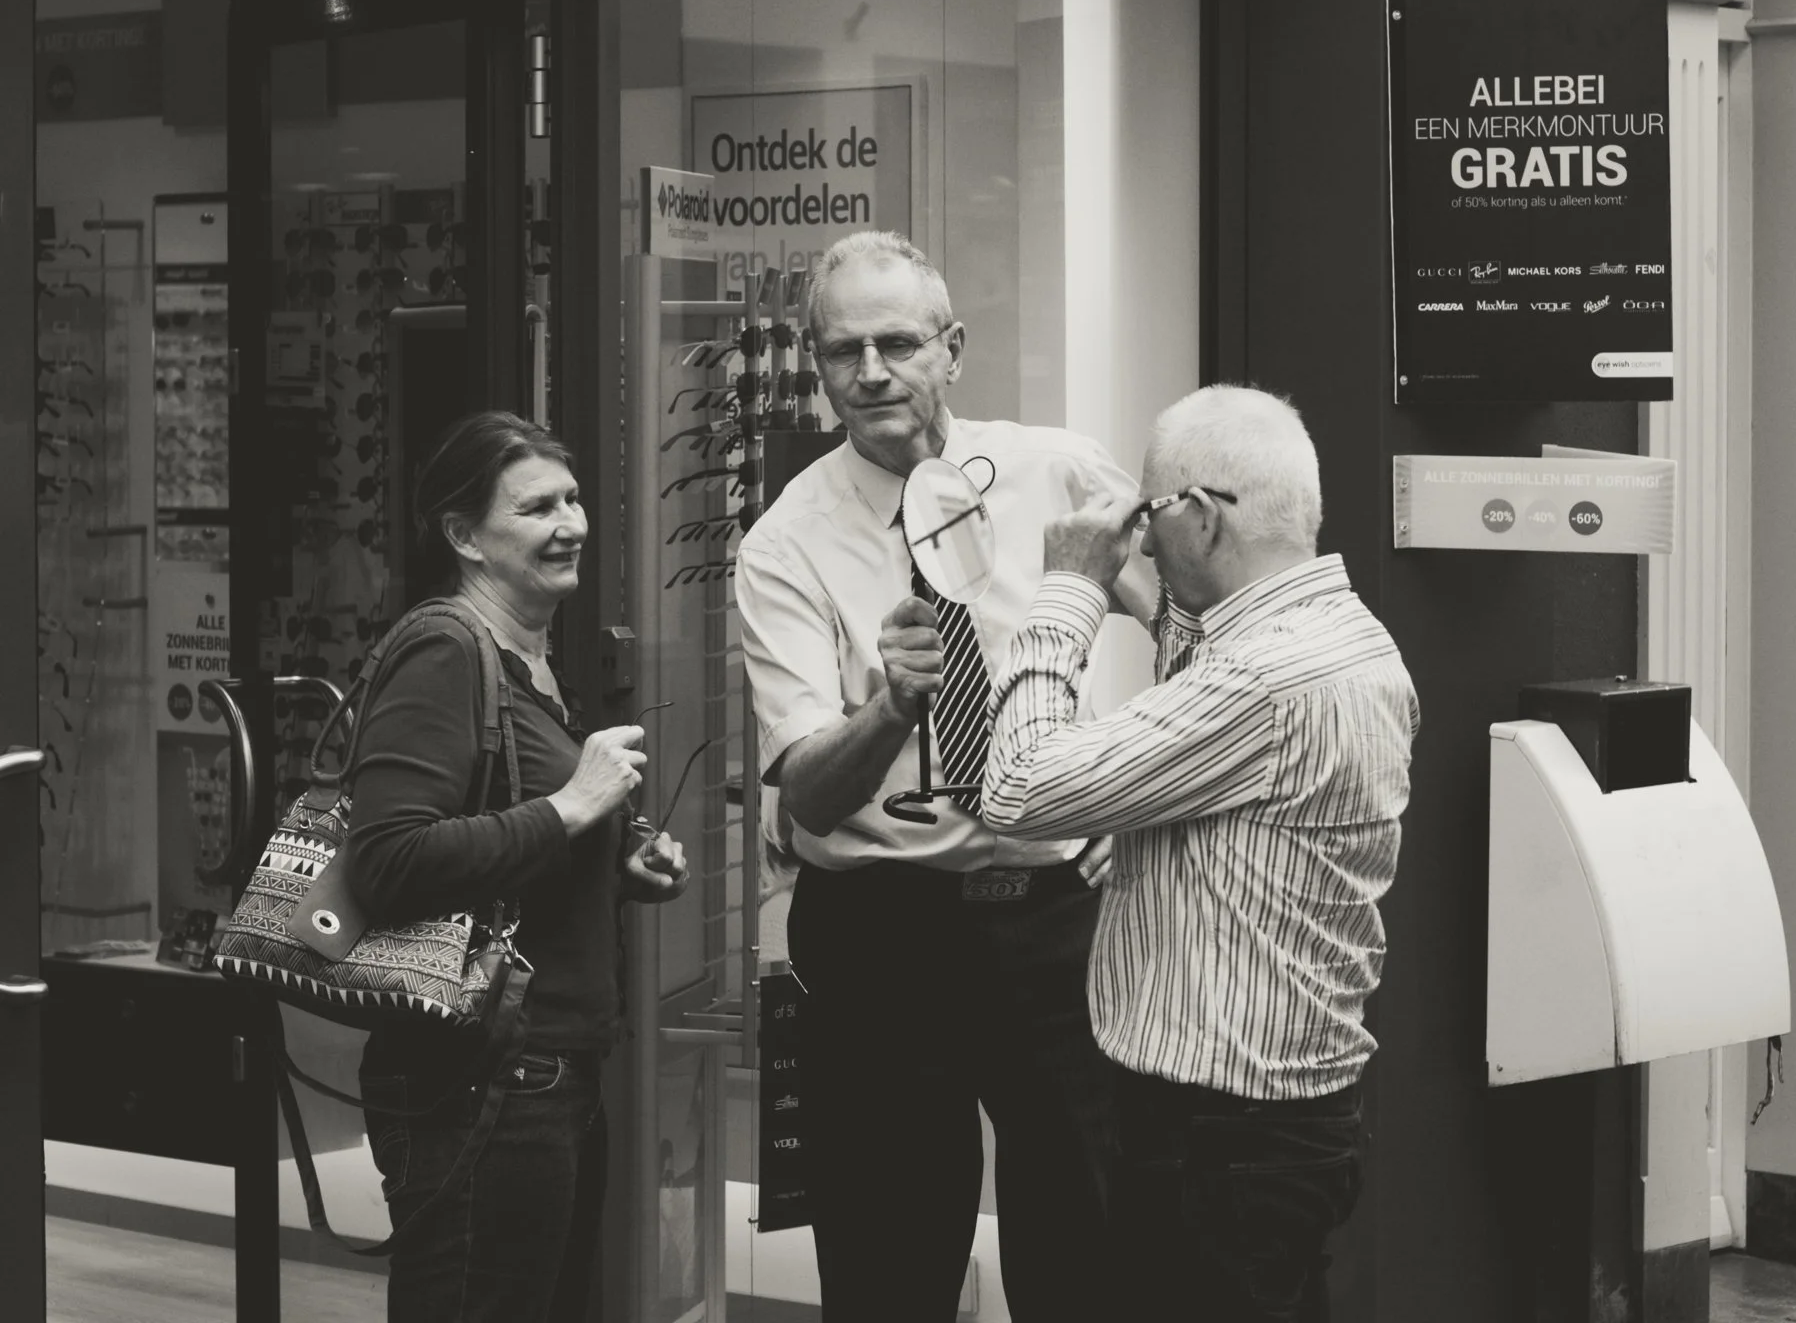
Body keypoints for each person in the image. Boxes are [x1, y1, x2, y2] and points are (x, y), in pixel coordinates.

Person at [735, 230, 1153, 1320]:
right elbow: (809, 792)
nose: (869, 371)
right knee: (888, 1266)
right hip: (884, 939)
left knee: (1090, 1253)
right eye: (841, 352)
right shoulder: (784, 544)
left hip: (1052, 927)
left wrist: (1132, 787)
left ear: (952, 348)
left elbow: (1199, 624)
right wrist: (887, 710)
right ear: (818, 369)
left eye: (897, 343)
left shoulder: (1055, 470)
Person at [981, 385, 1419, 1323]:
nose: (1137, 541)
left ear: (1203, 516)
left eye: (1149, 514)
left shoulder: (1266, 680)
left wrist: (1066, 591)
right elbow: (1203, 715)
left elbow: (1018, 786)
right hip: (1275, 1135)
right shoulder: (1344, 638)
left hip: (1220, 1148)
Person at [345, 411, 692, 1322]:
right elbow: (387, 859)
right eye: (537, 507)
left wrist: (615, 867)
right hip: (480, 1080)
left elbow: (502, 847)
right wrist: (573, 806)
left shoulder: (533, 663)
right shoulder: (443, 650)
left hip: (549, 1071)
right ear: (464, 537)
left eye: (572, 499)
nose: (570, 523)